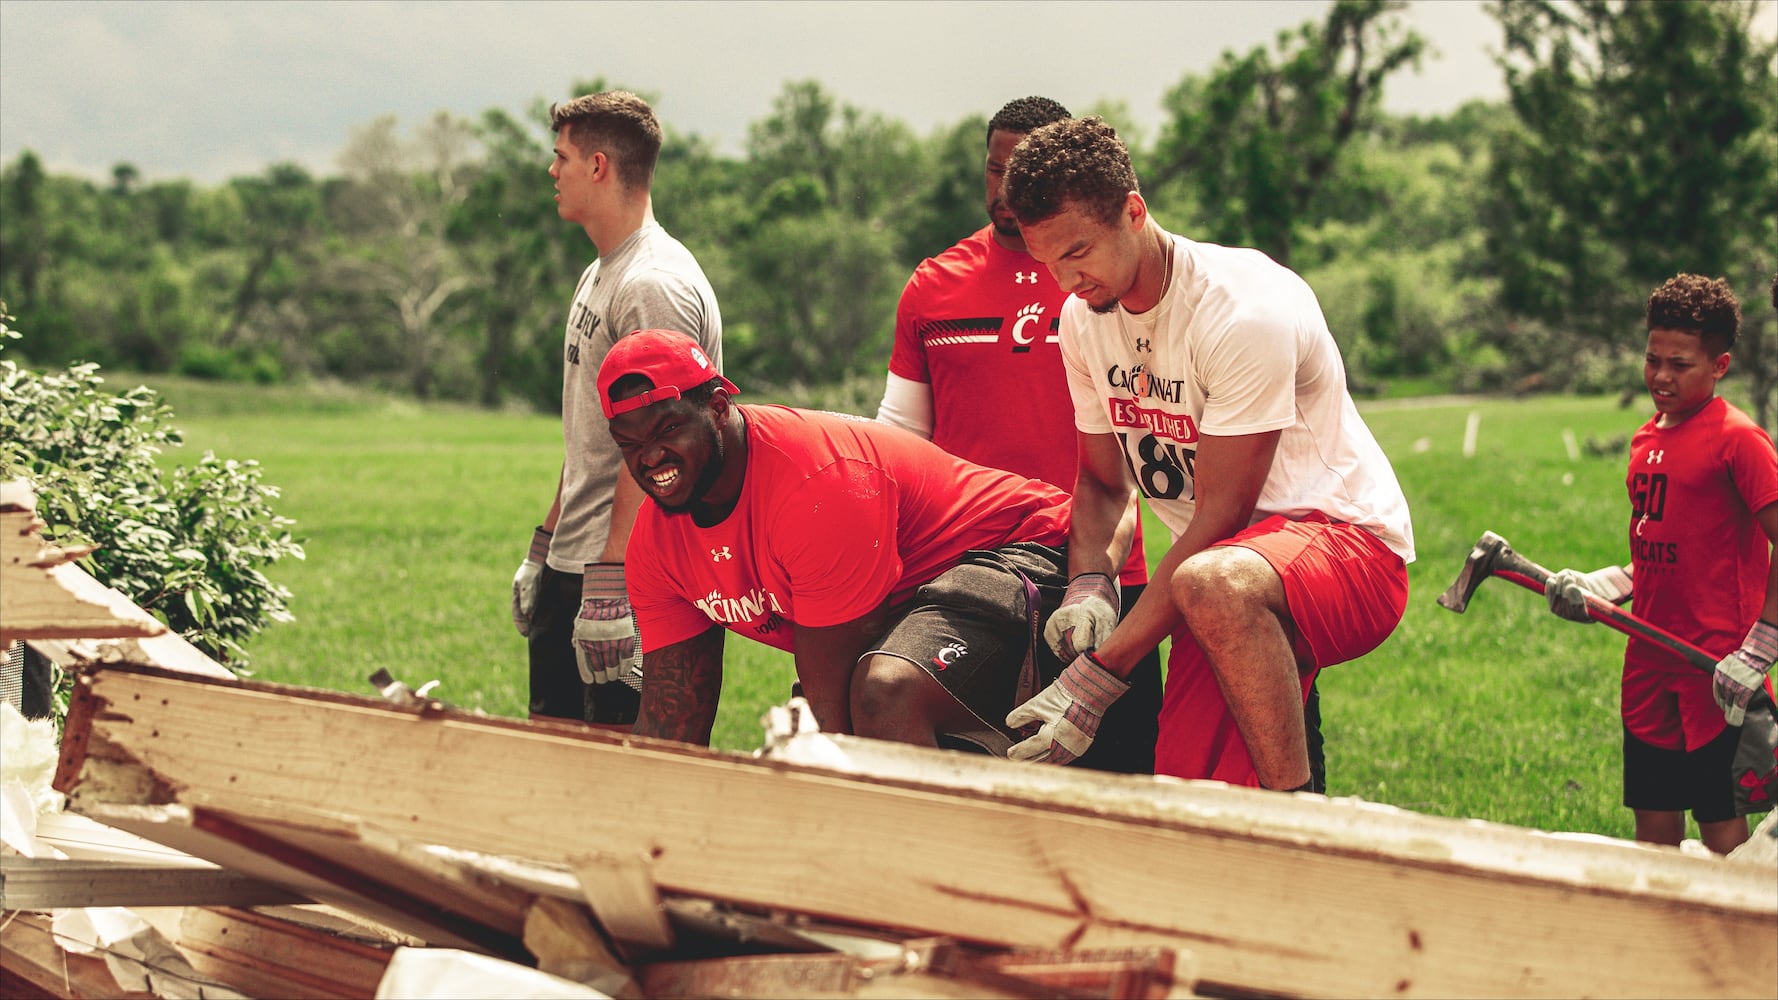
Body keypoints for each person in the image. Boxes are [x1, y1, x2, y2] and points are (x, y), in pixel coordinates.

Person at [998, 116, 1415, 792]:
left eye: (1077, 252)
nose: (1064, 280)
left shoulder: (1241, 310)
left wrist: (1100, 674)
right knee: (1191, 794)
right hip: (1217, 576)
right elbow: (1105, 487)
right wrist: (1089, 585)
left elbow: (1222, 513)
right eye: (1047, 263)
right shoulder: (1082, 320)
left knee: (1212, 585)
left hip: (1344, 544)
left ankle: (1300, 822)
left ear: (1133, 212)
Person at [598, 329, 1080, 751]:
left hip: (1031, 547)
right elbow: (673, 722)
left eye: (668, 429)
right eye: (631, 444)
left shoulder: (812, 487)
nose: (651, 456)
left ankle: (936, 849)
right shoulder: (656, 545)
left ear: (720, 407)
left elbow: (834, 725)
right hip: (908, 595)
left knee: (884, 694)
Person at [875, 96, 1164, 777]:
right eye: (993, 169)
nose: (1005, 189)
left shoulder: (1104, 278)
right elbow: (899, 440)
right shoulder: (932, 285)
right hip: (970, 573)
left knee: (1116, 789)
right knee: (980, 770)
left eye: (1022, 171)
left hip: (1106, 567)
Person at [509, 91, 723, 728]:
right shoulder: (601, 272)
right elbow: (590, 436)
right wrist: (545, 546)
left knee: (625, 779)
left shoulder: (650, 285)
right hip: (579, 561)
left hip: (629, 579)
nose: (553, 171)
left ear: (599, 166)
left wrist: (612, 582)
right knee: (556, 769)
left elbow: (663, 444)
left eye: (562, 157)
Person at [1543, 274, 1776, 853]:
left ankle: (1730, 940)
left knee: (1721, 828)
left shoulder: (1739, 440)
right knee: (1653, 822)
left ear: (1719, 365)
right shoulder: (1647, 438)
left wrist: (1761, 647)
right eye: (1653, 360)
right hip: (1648, 659)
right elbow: (1662, 548)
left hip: (1715, 669)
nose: (1662, 377)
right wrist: (1604, 584)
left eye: (1681, 364)